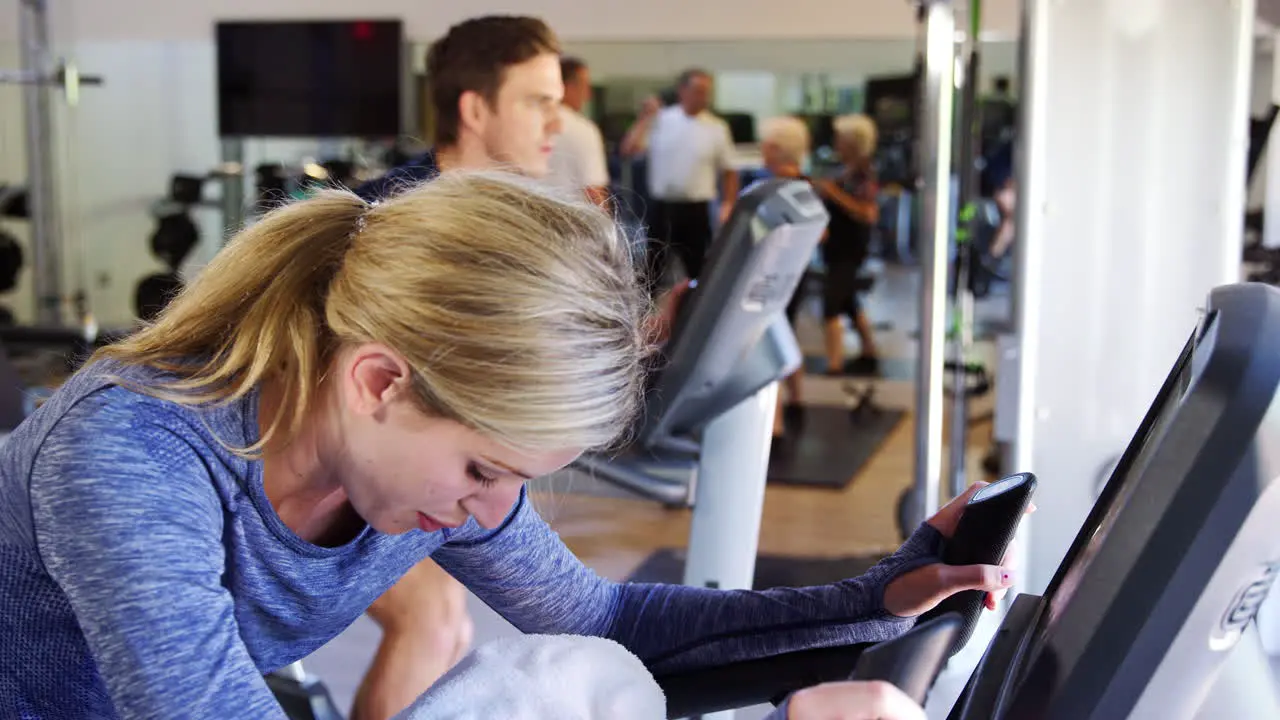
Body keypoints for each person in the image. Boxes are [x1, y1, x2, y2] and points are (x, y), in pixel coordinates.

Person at [0, 169, 1018, 719]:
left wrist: (869, 599)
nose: (490, 514)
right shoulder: (132, 455)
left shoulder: (405, 471)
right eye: (484, 468)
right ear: (378, 382)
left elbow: (605, 618)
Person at [355, 13, 568, 718]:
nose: (556, 123)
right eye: (538, 101)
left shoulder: (499, 224)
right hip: (318, 477)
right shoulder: (387, 223)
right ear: (475, 110)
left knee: (456, 631)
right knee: (434, 617)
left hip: (416, 474)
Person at [620, 68, 740, 294]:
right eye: (698, 91)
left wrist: (728, 204)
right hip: (663, 206)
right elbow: (628, 150)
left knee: (698, 269)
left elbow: (729, 170)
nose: (703, 97)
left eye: (707, 92)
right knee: (652, 270)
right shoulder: (661, 120)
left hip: (696, 208)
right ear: (682, 91)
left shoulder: (717, 128)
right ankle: (644, 321)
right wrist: (645, 118)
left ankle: (697, 320)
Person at [755, 115, 814, 443]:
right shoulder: (802, 184)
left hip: (777, 274)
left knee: (770, 340)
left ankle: (774, 421)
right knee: (784, 334)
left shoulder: (782, 188)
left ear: (776, 148)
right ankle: (797, 397)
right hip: (790, 272)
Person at [812, 113, 883, 377]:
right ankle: (869, 351)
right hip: (836, 244)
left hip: (851, 245)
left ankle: (834, 363)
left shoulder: (864, 172)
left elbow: (867, 212)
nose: (836, 143)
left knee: (831, 302)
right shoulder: (845, 169)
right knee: (848, 300)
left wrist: (833, 193)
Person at [547, 56, 611, 206]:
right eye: (584, 87)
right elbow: (594, 191)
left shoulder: (528, 124)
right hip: (573, 221)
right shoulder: (583, 130)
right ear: (567, 86)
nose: (588, 95)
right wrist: (608, 226)